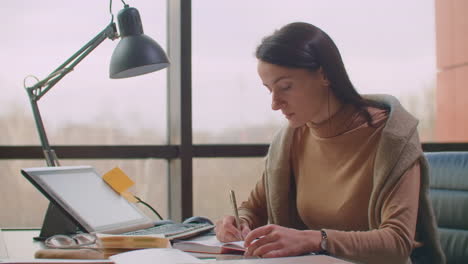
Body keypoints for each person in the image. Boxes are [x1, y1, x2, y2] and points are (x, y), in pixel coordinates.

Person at [215, 22, 445, 264]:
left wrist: (314, 239)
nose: (274, 103)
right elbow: (255, 207)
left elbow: (397, 242)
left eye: (285, 87)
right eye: (269, 89)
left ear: (324, 75)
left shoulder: (392, 139)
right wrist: (238, 221)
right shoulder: (289, 141)